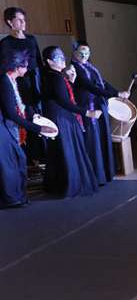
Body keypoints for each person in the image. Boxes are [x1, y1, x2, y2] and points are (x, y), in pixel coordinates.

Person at [41, 46, 100, 198]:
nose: (62, 60)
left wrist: (71, 81)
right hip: (61, 117)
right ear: (49, 61)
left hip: (58, 115)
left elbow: (62, 97)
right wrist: (87, 112)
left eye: (62, 56)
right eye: (58, 57)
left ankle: (58, 184)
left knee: (60, 151)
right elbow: (64, 101)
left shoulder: (51, 75)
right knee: (66, 150)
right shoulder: (55, 77)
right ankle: (69, 184)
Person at [0, 50, 54, 207]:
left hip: (7, 125)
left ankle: (17, 197)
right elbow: (11, 113)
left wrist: (32, 117)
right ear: (17, 67)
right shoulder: (4, 82)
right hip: (3, 127)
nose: (27, 69)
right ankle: (11, 199)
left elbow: (19, 108)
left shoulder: (11, 80)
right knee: (10, 163)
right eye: (25, 66)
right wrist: (38, 128)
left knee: (18, 160)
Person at [71, 41, 129, 184]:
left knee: (102, 138)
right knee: (93, 140)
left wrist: (117, 92)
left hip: (98, 105)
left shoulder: (90, 67)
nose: (84, 55)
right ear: (74, 53)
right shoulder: (74, 69)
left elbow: (102, 82)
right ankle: (96, 176)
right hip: (88, 107)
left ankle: (106, 173)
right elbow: (89, 86)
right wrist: (115, 94)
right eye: (81, 52)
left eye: (87, 52)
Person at [0, 7, 44, 162]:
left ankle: (39, 156)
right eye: (19, 20)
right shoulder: (5, 43)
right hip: (16, 85)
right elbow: (4, 69)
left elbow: (38, 63)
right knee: (21, 116)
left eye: (24, 20)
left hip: (33, 83)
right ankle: (26, 157)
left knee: (37, 115)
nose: (24, 23)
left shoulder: (31, 39)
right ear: (10, 22)